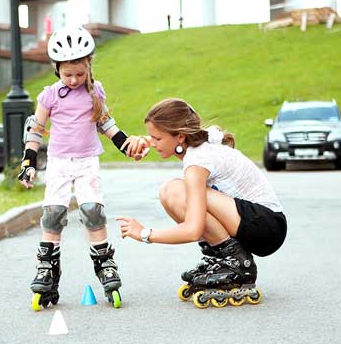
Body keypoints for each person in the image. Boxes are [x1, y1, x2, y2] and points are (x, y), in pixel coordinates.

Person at [18, 26, 144, 311]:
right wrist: (28, 162)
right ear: (56, 70)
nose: (74, 80)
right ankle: (47, 269)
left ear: (88, 67)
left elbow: (106, 124)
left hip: (87, 160)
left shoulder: (95, 91)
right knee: (53, 214)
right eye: (67, 75)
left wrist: (126, 146)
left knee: (92, 210)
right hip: (60, 162)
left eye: (79, 73)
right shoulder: (49, 95)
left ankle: (105, 264)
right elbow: (35, 129)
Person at [117, 98, 287, 308]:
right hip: (258, 222)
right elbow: (175, 145)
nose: (153, 143)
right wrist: (147, 139)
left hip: (266, 225)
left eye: (157, 138)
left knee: (175, 191)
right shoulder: (197, 146)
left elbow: (192, 230)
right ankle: (224, 257)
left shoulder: (198, 161)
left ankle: (236, 263)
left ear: (180, 136)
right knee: (171, 192)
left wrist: (144, 233)